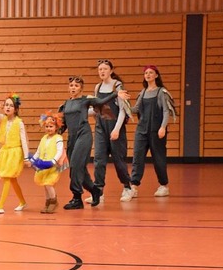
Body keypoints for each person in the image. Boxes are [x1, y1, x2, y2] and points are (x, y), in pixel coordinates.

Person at [59, 76, 129, 210]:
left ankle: (76, 198)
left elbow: (101, 101)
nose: (73, 88)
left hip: (83, 136)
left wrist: (116, 94)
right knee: (80, 169)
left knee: (75, 166)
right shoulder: (66, 104)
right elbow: (63, 124)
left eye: (76, 86)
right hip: (72, 138)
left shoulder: (86, 100)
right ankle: (95, 190)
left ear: (81, 88)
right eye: (71, 85)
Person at [87, 60, 134, 204]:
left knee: (119, 160)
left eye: (105, 69)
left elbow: (122, 110)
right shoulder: (97, 87)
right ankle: (98, 192)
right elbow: (96, 110)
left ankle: (127, 187)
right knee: (99, 160)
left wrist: (117, 129)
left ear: (111, 70)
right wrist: (79, 110)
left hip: (114, 127)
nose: (102, 71)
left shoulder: (117, 86)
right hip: (101, 127)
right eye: (100, 69)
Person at [130, 65, 171, 197]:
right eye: (146, 73)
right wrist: (122, 105)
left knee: (158, 158)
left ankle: (163, 185)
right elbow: (135, 109)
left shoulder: (161, 92)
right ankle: (134, 186)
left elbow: (166, 111)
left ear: (156, 75)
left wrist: (163, 127)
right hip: (141, 130)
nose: (148, 75)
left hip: (156, 130)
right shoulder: (142, 93)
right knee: (137, 157)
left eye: (151, 73)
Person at [0, 94, 30, 213]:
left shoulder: (19, 122)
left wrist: (26, 157)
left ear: (15, 109)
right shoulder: (3, 119)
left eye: (11, 105)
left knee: (7, 177)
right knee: (12, 179)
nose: (8, 107)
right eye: (6, 105)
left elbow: (24, 140)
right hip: (5, 152)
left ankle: (0, 206)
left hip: (15, 153)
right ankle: (23, 201)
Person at [29, 112, 68, 213]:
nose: (49, 128)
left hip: (52, 166)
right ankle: (48, 202)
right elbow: (39, 151)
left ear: (56, 127)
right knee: (45, 185)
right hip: (43, 165)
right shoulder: (43, 138)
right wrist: (33, 160)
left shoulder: (58, 138)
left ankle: (54, 202)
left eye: (51, 126)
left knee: (49, 184)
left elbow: (59, 150)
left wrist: (54, 160)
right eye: (46, 126)